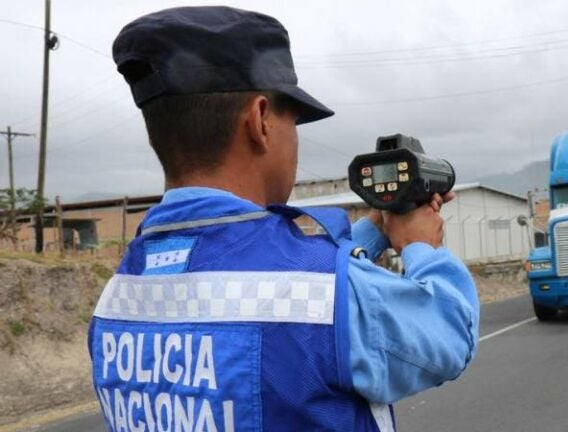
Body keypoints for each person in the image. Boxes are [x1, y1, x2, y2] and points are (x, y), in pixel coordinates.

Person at [89, 6, 479, 432]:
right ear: (259, 121)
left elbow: (264, 291)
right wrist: (423, 248)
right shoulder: (327, 295)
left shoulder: (121, 290)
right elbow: (448, 335)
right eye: (293, 119)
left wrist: (375, 232)